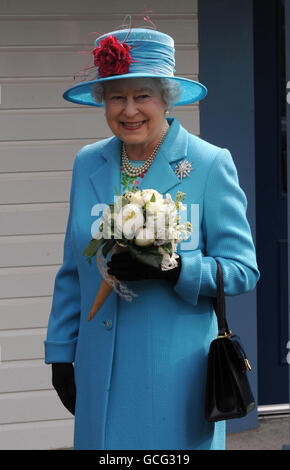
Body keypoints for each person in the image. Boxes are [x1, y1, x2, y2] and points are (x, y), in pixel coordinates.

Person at [44, 27, 260, 450]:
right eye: (116, 97)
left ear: (166, 97)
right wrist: (60, 352)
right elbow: (72, 270)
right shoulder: (89, 162)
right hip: (99, 368)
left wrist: (175, 269)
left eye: (142, 96)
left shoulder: (208, 164)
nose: (129, 111)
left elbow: (242, 270)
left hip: (175, 376)